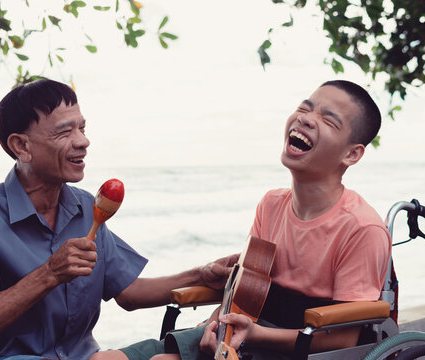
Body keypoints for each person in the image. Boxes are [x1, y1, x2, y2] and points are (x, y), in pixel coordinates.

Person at [91, 80, 392, 360]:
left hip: (289, 350)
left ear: (352, 154)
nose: (306, 118)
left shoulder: (362, 228)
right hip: (238, 337)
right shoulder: (271, 205)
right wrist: (214, 326)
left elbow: (341, 342)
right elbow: (244, 291)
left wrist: (256, 334)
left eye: (328, 120)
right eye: (304, 107)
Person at [0, 79, 238, 360]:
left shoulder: (86, 206)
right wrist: (49, 274)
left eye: (82, 128)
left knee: (197, 346)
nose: (83, 141)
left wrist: (201, 273)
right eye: (64, 132)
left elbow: (129, 293)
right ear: (21, 146)